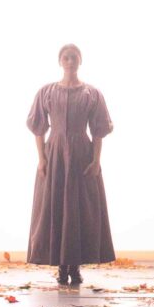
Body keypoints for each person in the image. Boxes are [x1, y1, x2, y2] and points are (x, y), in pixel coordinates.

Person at [26, 44, 115, 286]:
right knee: (56, 205)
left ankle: (75, 267)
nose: (69, 61)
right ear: (59, 61)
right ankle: (61, 267)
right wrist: (41, 157)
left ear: (80, 60)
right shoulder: (46, 92)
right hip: (54, 152)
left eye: (73, 57)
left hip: (81, 153)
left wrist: (97, 160)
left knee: (78, 208)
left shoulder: (92, 93)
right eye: (65, 57)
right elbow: (38, 128)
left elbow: (98, 131)